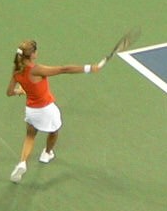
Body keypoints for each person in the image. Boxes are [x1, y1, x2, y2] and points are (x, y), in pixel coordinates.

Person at [6, 40, 107, 183]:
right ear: (33, 54)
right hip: (46, 109)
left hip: (31, 111)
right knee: (54, 131)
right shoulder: (37, 69)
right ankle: (47, 153)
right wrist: (90, 68)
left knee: (30, 136)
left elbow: (9, 92)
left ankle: (22, 162)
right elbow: (63, 69)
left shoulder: (17, 70)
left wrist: (20, 91)